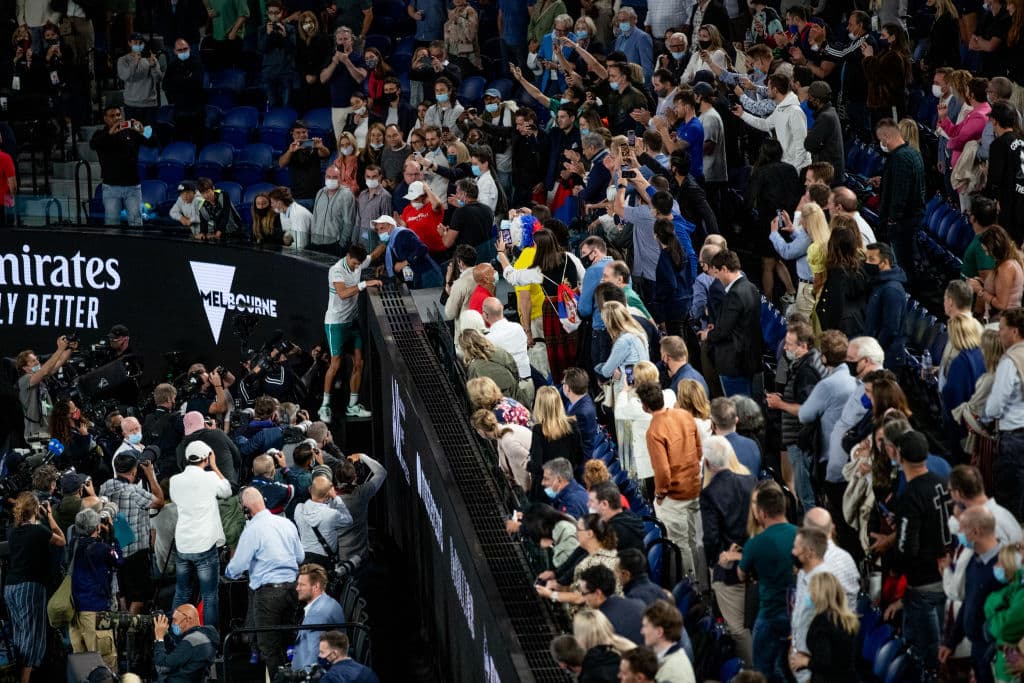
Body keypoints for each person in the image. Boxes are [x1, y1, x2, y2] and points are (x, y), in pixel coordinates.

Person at [882, 430, 953, 671]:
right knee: (943, 644)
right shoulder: (942, 484)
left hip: (921, 584)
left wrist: (893, 568)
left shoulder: (911, 496)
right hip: (946, 576)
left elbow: (906, 547)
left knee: (925, 652)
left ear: (900, 456)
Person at [720, 482, 798, 683]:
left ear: (762, 513)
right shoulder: (800, 535)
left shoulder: (755, 543)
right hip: (796, 613)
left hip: (769, 614)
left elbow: (741, 575)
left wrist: (738, 558)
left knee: (763, 669)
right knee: (790, 668)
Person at [225, 487, 304, 677]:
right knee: (289, 640)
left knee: (269, 646)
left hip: (268, 596)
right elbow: (300, 557)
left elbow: (236, 568)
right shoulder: (286, 523)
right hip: (294, 590)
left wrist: (228, 572)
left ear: (246, 509)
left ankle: (279, 679)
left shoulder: (253, 530)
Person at [700, 435, 756, 664]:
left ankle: (753, 673)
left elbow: (711, 537)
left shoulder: (710, 493)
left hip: (728, 569)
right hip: (753, 563)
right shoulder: (750, 480)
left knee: (737, 628)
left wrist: (715, 561)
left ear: (707, 463)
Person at [639, 381, 702, 576]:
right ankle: (703, 584)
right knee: (696, 540)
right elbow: (699, 450)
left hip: (675, 496)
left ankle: (693, 590)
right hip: (695, 486)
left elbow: (663, 472)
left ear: (644, 405)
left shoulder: (654, 430)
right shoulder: (684, 415)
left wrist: (659, 494)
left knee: (680, 544)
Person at [170, 441, 232, 627]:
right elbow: (227, 491)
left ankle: (174, 634)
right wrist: (214, 466)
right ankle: (210, 638)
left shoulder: (175, 480)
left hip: (183, 544)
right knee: (209, 595)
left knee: (181, 592)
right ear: (206, 458)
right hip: (204, 543)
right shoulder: (211, 477)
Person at [6, 492, 65, 683]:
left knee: (20, 634)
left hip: (10, 588)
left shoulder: (12, 532)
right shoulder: (39, 531)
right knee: (32, 636)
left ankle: (17, 674)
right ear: (35, 509)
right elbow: (61, 540)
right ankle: (24, 680)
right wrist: (49, 515)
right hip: (30, 588)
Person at [766, 321, 825, 513]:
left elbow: (806, 409)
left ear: (803, 346)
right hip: (801, 439)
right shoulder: (805, 364)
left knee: (806, 496)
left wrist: (780, 404)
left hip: (801, 442)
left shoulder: (806, 371)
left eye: (789, 344)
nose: (785, 347)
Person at [940, 506, 1003, 683]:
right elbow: (968, 602)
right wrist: (951, 642)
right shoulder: (974, 562)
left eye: (962, 529)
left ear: (975, 531)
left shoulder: (1003, 568)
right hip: (976, 648)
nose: (959, 534)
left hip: (994, 654)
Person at [321, 244, 381, 422]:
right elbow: (342, 293)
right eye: (355, 264)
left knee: (359, 363)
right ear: (348, 256)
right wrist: (364, 284)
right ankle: (324, 406)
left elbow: (375, 253)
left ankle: (353, 406)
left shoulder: (359, 262)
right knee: (335, 364)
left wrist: (390, 236)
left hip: (352, 323)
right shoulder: (336, 270)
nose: (357, 267)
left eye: (359, 264)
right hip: (336, 323)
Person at [100, 453, 164, 614]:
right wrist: (150, 474)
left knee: (123, 593)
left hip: (115, 550)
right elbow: (159, 501)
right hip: (136, 553)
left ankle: (121, 626)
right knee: (138, 597)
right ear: (134, 471)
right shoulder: (134, 492)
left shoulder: (106, 486)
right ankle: (130, 631)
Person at [700, 249, 762, 397]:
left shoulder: (734, 294)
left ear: (725, 269)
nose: (717, 278)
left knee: (738, 410)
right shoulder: (752, 287)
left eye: (716, 273)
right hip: (751, 359)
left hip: (734, 363)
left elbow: (723, 332)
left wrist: (707, 335)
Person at [69, 508, 123, 673]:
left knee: (83, 666)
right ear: (97, 528)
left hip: (75, 612)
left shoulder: (73, 544)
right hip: (95, 612)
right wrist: (112, 536)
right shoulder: (101, 549)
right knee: (104, 662)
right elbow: (119, 561)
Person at [984, 307, 1024, 520]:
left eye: (1002, 328)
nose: (999, 333)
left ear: (1014, 331)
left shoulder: (1009, 361)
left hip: (1013, 439)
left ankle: (1010, 548)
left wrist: (984, 416)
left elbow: (996, 404)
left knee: (1009, 500)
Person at [788, 573, 860, 683]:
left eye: (810, 590)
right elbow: (836, 655)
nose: (808, 595)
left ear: (819, 594)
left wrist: (805, 661)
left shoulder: (822, 622)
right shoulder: (845, 618)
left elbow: (825, 662)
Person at [90, 105, 154, 226]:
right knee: (112, 224)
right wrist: (110, 133)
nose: (116, 118)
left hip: (132, 187)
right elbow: (93, 145)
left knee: (136, 223)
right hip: (111, 188)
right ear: (105, 119)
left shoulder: (131, 132)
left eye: (118, 115)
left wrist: (143, 130)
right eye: (112, 116)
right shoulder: (101, 134)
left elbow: (153, 142)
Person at [875, 118, 926, 268]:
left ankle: (906, 290)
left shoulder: (900, 158)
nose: (882, 144)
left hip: (903, 223)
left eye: (881, 139)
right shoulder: (912, 152)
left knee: (902, 263)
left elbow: (901, 192)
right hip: (911, 218)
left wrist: (892, 219)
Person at [334, 452, 386, 570]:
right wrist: (363, 456)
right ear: (355, 476)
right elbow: (381, 472)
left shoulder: (329, 500)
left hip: (338, 558)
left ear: (336, 477)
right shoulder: (361, 494)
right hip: (361, 558)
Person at [16, 335, 73, 440]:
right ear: (25, 368)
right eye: (33, 361)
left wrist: (69, 348)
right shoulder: (24, 380)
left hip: (47, 432)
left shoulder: (40, 378)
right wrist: (60, 348)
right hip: (35, 435)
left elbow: (59, 363)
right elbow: (45, 371)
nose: (37, 362)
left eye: (37, 359)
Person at [293, 563, 345, 670]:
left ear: (316, 586)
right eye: (298, 584)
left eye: (302, 585)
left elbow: (313, 662)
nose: (297, 588)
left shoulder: (318, 615)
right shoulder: (327, 602)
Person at [864, 242, 908, 367]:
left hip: (887, 357)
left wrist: (873, 352)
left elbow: (891, 329)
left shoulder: (891, 289)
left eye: (872, 259)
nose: (867, 263)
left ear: (885, 262)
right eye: (866, 259)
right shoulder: (879, 283)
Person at [294, 475, 354, 568]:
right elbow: (349, 520)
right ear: (328, 496)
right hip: (325, 562)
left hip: (304, 559)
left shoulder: (299, 509)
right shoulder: (332, 514)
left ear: (310, 489)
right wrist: (336, 498)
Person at [579, 564, 646, 645]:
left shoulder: (599, 626)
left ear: (597, 593)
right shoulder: (639, 604)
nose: (582, 597)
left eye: (583, 593)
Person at [320, 27, 368, 141]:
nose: (343, 42)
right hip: (337, 107)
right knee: (341, 142)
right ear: (336, 41)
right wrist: (335, 62)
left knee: (359, 141)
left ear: (351, 40)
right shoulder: (331, 57)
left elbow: (360, 78)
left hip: (356, 106)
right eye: (340, 39)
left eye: (345, 39)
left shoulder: (359, 57)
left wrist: (347, 61)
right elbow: (323, 79)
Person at [152, 605, 220, 683]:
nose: (173, 624)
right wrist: (166, 635)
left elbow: (161, 667)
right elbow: (179, 654)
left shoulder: (192, 640)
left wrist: (159, 638)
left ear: (187, 620)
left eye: (175, 620)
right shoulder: (204, 635)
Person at [971, 225, 1024, 319]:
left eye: (987, 251)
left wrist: (979, 290)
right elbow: (1003, 287)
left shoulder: (1006, 267)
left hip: (1004, 321)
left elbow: (1002, 305)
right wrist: (986, 283)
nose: (987, 254)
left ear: (996, 249)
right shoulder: (1007, 262)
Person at [639, 600, 696, 683]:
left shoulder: (673, 673)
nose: (642, 631)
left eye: (645, 626)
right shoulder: (669, 658)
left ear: (659, 632)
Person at [117, 33, 162, 125]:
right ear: (129, 43)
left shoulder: (150, 58)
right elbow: (124, 76)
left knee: (148, 135)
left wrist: (153, 66)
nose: (138, 45)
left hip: (149, 104)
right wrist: (135, 62)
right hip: (132, 104)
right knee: (134, 135)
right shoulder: (123, 60)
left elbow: (158, 78)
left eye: (140, 43)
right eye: (135, 42)